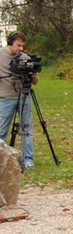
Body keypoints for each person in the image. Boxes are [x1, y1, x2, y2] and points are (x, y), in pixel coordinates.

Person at [0, 31, 38, 171]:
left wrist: (32, 74)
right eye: (18, 45)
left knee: (26, 128)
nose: (21, 49)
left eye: (23, 46)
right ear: (10, 43)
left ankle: (28, 159)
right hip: (5, 98)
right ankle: (2, 159)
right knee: (2, 130)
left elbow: (36, 81)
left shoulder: (25, 57)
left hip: (24, 96)